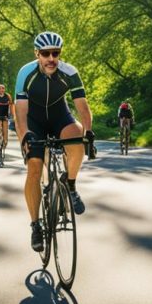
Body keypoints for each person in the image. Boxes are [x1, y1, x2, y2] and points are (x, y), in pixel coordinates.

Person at [15, 31, 95, 252]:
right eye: (45, 53)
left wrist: (89, 131)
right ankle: (35, 225)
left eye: (55, 53)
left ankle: (70, 185)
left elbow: (82, 106)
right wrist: (25, 136)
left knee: (77, 139)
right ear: (37, 54)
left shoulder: (70, 73)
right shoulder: (26, 73)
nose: (51, 58)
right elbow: (20, 112)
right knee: (34, 167)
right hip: (34, 120)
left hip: (61, 116)